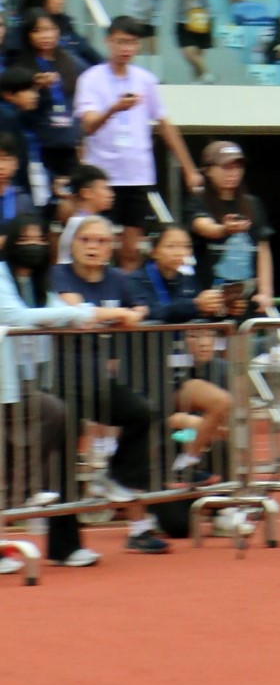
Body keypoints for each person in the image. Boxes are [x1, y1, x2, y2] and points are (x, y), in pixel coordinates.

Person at [48, 215, 171, 553]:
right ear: (73, 244)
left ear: (111, 247)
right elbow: (75, 309)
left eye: (101, 241)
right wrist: (119, 315)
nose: (93, 247)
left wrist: (133, 314)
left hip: (98, 379)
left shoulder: (117, 278)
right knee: (65, 459)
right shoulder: (59, 274)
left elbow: (142, 308)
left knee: (141, 412)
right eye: (86, 240)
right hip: (61, 380)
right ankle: (65, 547)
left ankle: (116, 483)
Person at [0, 216, 108, 570]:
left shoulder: (38, 282)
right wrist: (76, 313)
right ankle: (25, 494)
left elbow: (60, 313)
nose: (32, 245)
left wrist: (77, 313)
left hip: (28, 381)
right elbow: (17, 316)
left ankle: (64, 543)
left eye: (38, 238)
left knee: (58, 433)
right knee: (51, 415)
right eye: (24, 239)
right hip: (7, 384)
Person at [74, 17, 201, 273]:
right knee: (98, 243)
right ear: (108, 41)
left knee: (131, 250)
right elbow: (88, 125)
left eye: (132, 42)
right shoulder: (91, 78)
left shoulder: (145, 79)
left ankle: (128, 295)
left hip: (137, 174)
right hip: (103, 176)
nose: (126, 48)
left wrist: (189, 169)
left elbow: (165, 125)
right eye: (120, 41)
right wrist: (114, 108)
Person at [126, 223, 232, 480]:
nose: (179, 252)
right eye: (171, 246)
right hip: (145, 374)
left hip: (180, 374)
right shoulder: (134, 281)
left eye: (184, 246)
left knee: (222, 402)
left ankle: (187, 462)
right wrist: (195, 305)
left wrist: (223, 309)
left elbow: (199, 317)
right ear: (154, 251)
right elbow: (151, 313)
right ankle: (166, 462)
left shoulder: (187, 281)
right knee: (183, 423)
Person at [185, 141, 273, 312]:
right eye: (226, 167)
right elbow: (203, 226)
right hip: (210, 299)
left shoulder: (253, 204)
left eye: (238, 167)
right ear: (208, 170)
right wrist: (224, 229)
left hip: (246, 299)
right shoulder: (198, 202)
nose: (233, 173)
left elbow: (263, 248)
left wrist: (265, 292)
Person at [14, 10, 84, 205]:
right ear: (28, 34)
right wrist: (35, 86)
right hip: (39, 147)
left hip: (69, 145)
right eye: (38, 30)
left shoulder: (70, 62)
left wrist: (81, 139)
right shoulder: (21, 66)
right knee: (43, 204)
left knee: (72, 204)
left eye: (50, 29)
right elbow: (20, 109)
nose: (45, 35)